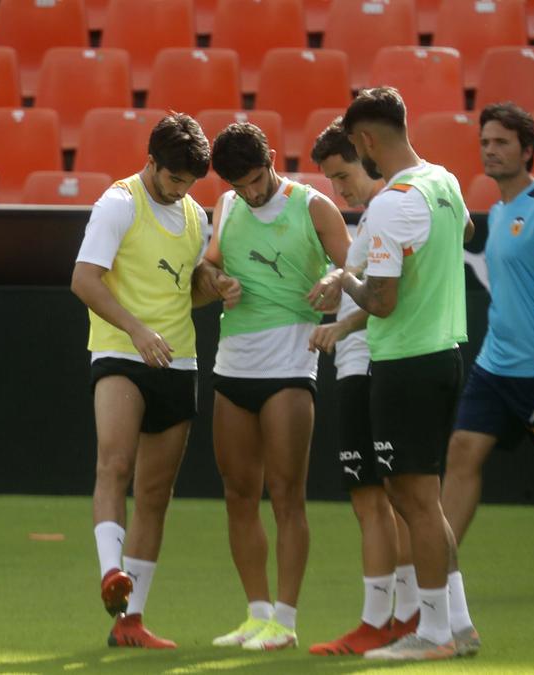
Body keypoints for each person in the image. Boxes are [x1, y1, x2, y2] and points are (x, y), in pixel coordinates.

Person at [70, 113, 241, 650]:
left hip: (179, 360)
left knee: (155, 495)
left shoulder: (194, 215)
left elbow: (186, 289)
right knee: (114, 466)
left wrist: (217, 286)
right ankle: (108, 573)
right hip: (122, 353)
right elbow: (83, 280)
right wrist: (137, 330)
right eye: (173, 179)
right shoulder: (119, 203)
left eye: (190, 182)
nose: (181, 189)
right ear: (151, 163)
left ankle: (131, 619)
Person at [335, 86, 476, 660]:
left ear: (366, 141)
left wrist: (345, 279)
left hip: (405, 361)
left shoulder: (392, 204)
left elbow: (383, 302)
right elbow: (464, 233)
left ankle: (435, 633)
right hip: (444, 354)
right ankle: (458, 623)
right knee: (427, 500)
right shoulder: (443, 181)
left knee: (411, 501)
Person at [203, 122, 351, 651]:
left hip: (290, 365)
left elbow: (354, 268)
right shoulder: (226, 206)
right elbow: (208, 269)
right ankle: (257, 613)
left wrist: (335, 281)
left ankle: (285, 621)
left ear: (270, 158)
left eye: (255, 180)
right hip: (232, 363)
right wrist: (216, 281)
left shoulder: (313, 206)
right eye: (239, 185)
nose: (250, 192)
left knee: (287, 495)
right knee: (238, 494)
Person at [306, 119, 420, 655]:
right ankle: (408, 612)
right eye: (330, 179)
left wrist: (340, 317)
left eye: (343, 173)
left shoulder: (387, 209)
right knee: (391, 498)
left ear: (366, 156)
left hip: (366, 365)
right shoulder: (383, 211)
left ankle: (381, 620)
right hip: (373, 364)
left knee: (373, 500)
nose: (339, 188)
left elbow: (379, 299)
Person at [441, 102, 534, 603]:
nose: (491, 150)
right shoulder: (501, 210)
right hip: (494, 365)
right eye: (485, 142)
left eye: (502, 142)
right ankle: (436, 577)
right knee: (462, 452)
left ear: (527, 150)